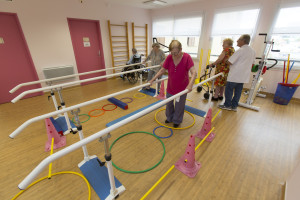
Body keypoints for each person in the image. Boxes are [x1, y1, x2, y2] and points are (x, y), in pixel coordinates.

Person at [149, 40, 197, 128]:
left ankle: (177, 120)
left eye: (176, 53)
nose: (174, 55)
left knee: (179, 106)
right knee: (169, 104)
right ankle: (169, 118)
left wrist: (190, 85)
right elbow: (162, 70)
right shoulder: (170, 57)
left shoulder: (187, 57)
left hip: (182, 88)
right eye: (172, 53)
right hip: (171, 87)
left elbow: (194, 72)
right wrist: (152, 79)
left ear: (181, 49)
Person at [218, 34, 256, 111]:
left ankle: (227, 105)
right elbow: (252, 64)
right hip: (243, 76)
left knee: (229, 90)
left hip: (235, 75)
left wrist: (225, 60)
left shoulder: (240, 50)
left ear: (243, 41)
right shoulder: (252, 51)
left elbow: (230, 62)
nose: (237, 41)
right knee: (238, 92)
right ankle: (234, 106)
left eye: (239, 39)